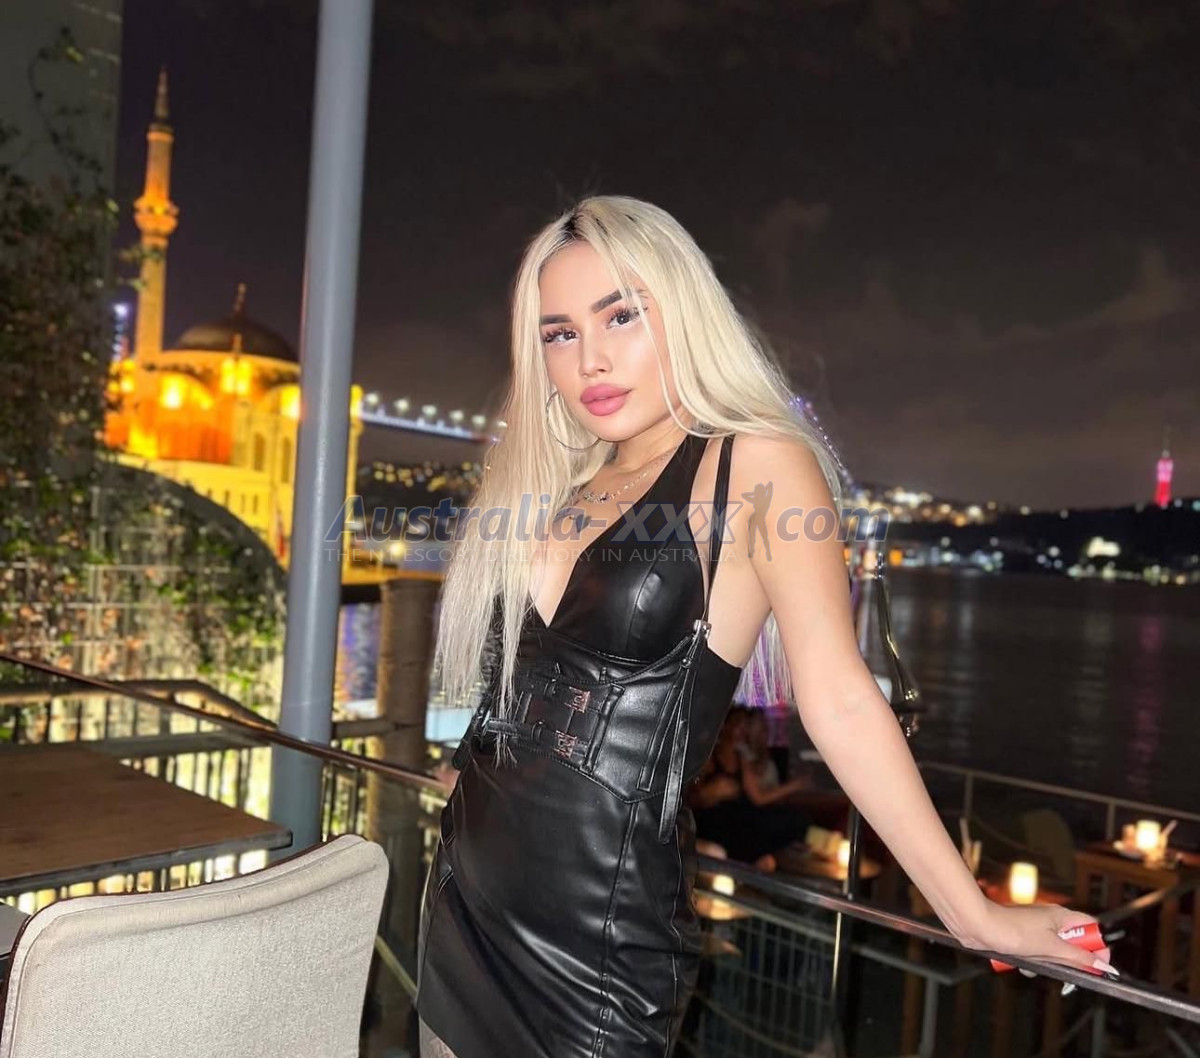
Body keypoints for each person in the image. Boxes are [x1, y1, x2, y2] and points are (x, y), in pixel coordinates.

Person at [415, 196, 1113, 1058]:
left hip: (596, 955)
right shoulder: (560, 485)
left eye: (621, 316)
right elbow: (519, 687)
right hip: (462, 909)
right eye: (560, 333)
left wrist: (971, 914)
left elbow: (840, 698)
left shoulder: (755, 467)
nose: (589, 357)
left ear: (684, 312)